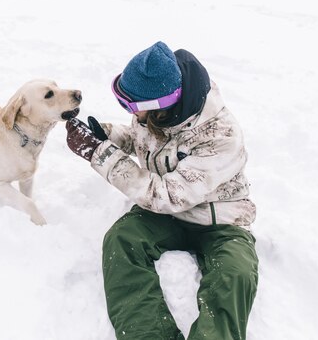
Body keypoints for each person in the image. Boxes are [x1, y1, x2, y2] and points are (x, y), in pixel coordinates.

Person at [65, 41, 258, 340]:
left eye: (134, 107)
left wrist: (100, 155)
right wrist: (107, 136)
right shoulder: (155, 111)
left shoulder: (221, 134)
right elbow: (141, 139)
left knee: (235, 276)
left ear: (163, 105)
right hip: (164, 216)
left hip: (219, 220)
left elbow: (166, 196)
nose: (133, 114)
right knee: (121, 240)